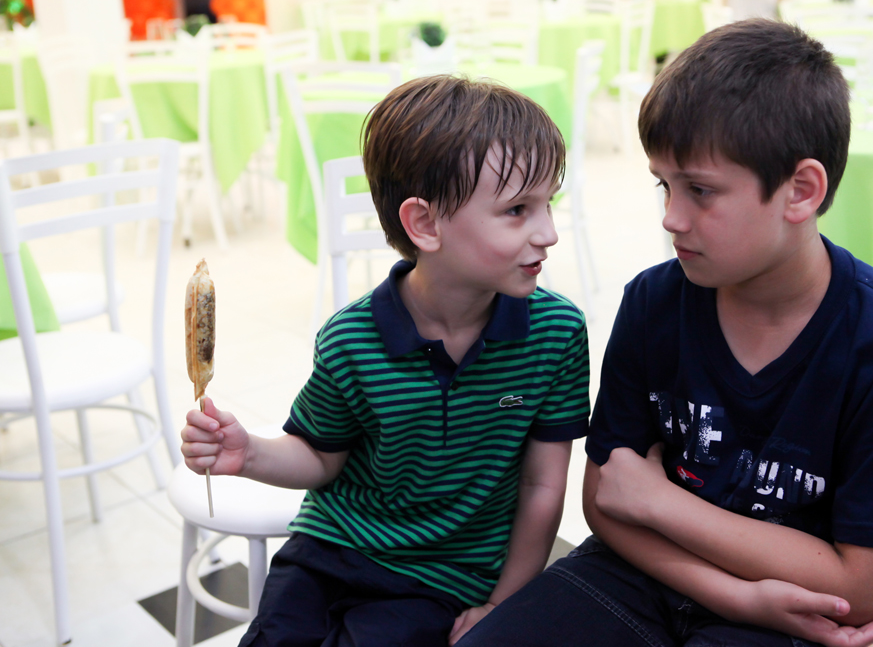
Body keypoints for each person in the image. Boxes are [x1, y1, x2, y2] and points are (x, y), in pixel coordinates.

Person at [458, 19, 873, 647]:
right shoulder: (654, 301)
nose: (672, 217)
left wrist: (661, 502)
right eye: (663, 185)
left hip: (815, 622)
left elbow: (859, 589)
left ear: (800, 191)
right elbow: (606, 500)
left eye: (700, 190)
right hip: (646, 576)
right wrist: (741, 596)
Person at [180, 75, 591, 647]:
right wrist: (248, 453)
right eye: (518, 209)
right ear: (424, 224)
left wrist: (504, 600)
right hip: (331, 547)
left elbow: (543, 485)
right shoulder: (351, 339)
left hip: (444, 574)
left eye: (548, 204)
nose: (547, 232)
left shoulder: (555, 333)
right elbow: (320, 459)